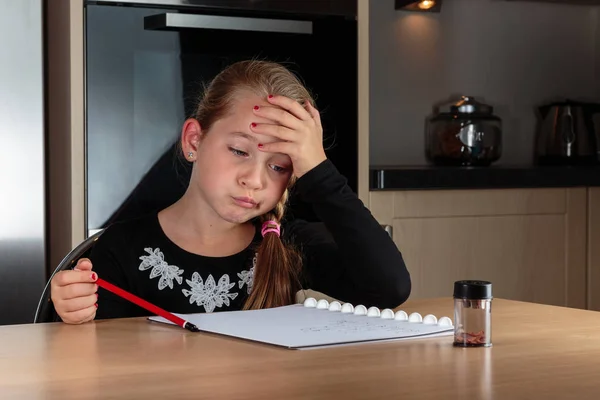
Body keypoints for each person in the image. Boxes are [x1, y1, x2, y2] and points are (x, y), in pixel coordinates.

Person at [50, 60, 411, 324]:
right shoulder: (120, 249)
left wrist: (319, 170)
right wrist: (70, 312)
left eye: (279, 166)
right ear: (194, 140)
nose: (254, 180)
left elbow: (389, 288)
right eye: (239, 151)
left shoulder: (290, 247)